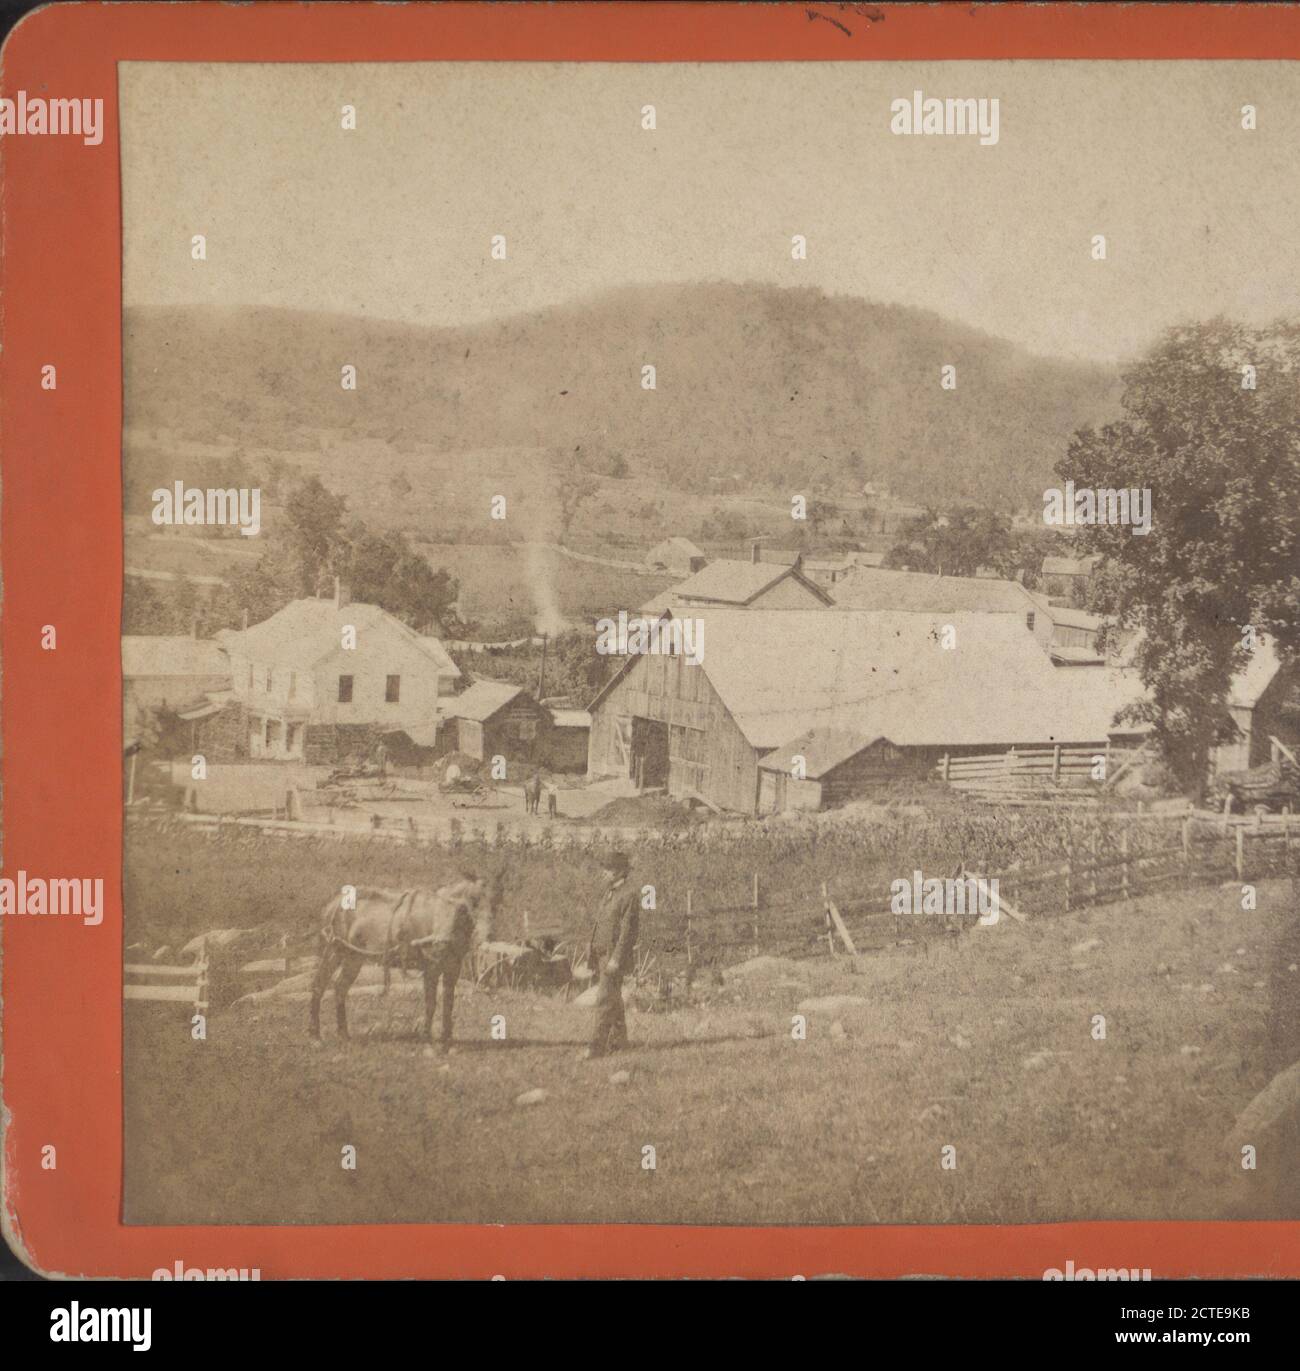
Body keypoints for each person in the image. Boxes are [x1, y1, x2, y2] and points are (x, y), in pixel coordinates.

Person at [583, 850, 639, 1060]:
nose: (604, 873)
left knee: (604, 999)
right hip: (601, 953)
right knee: (613, 999)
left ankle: (596, 1048)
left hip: (612, 956)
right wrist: (591, 948)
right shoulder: (609, 893)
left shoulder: (629, 895)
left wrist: (616, 958)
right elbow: (601, 924)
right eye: (605, 868)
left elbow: (628, 932)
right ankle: (619, 1043)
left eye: (608, 869)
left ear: (620, 872)